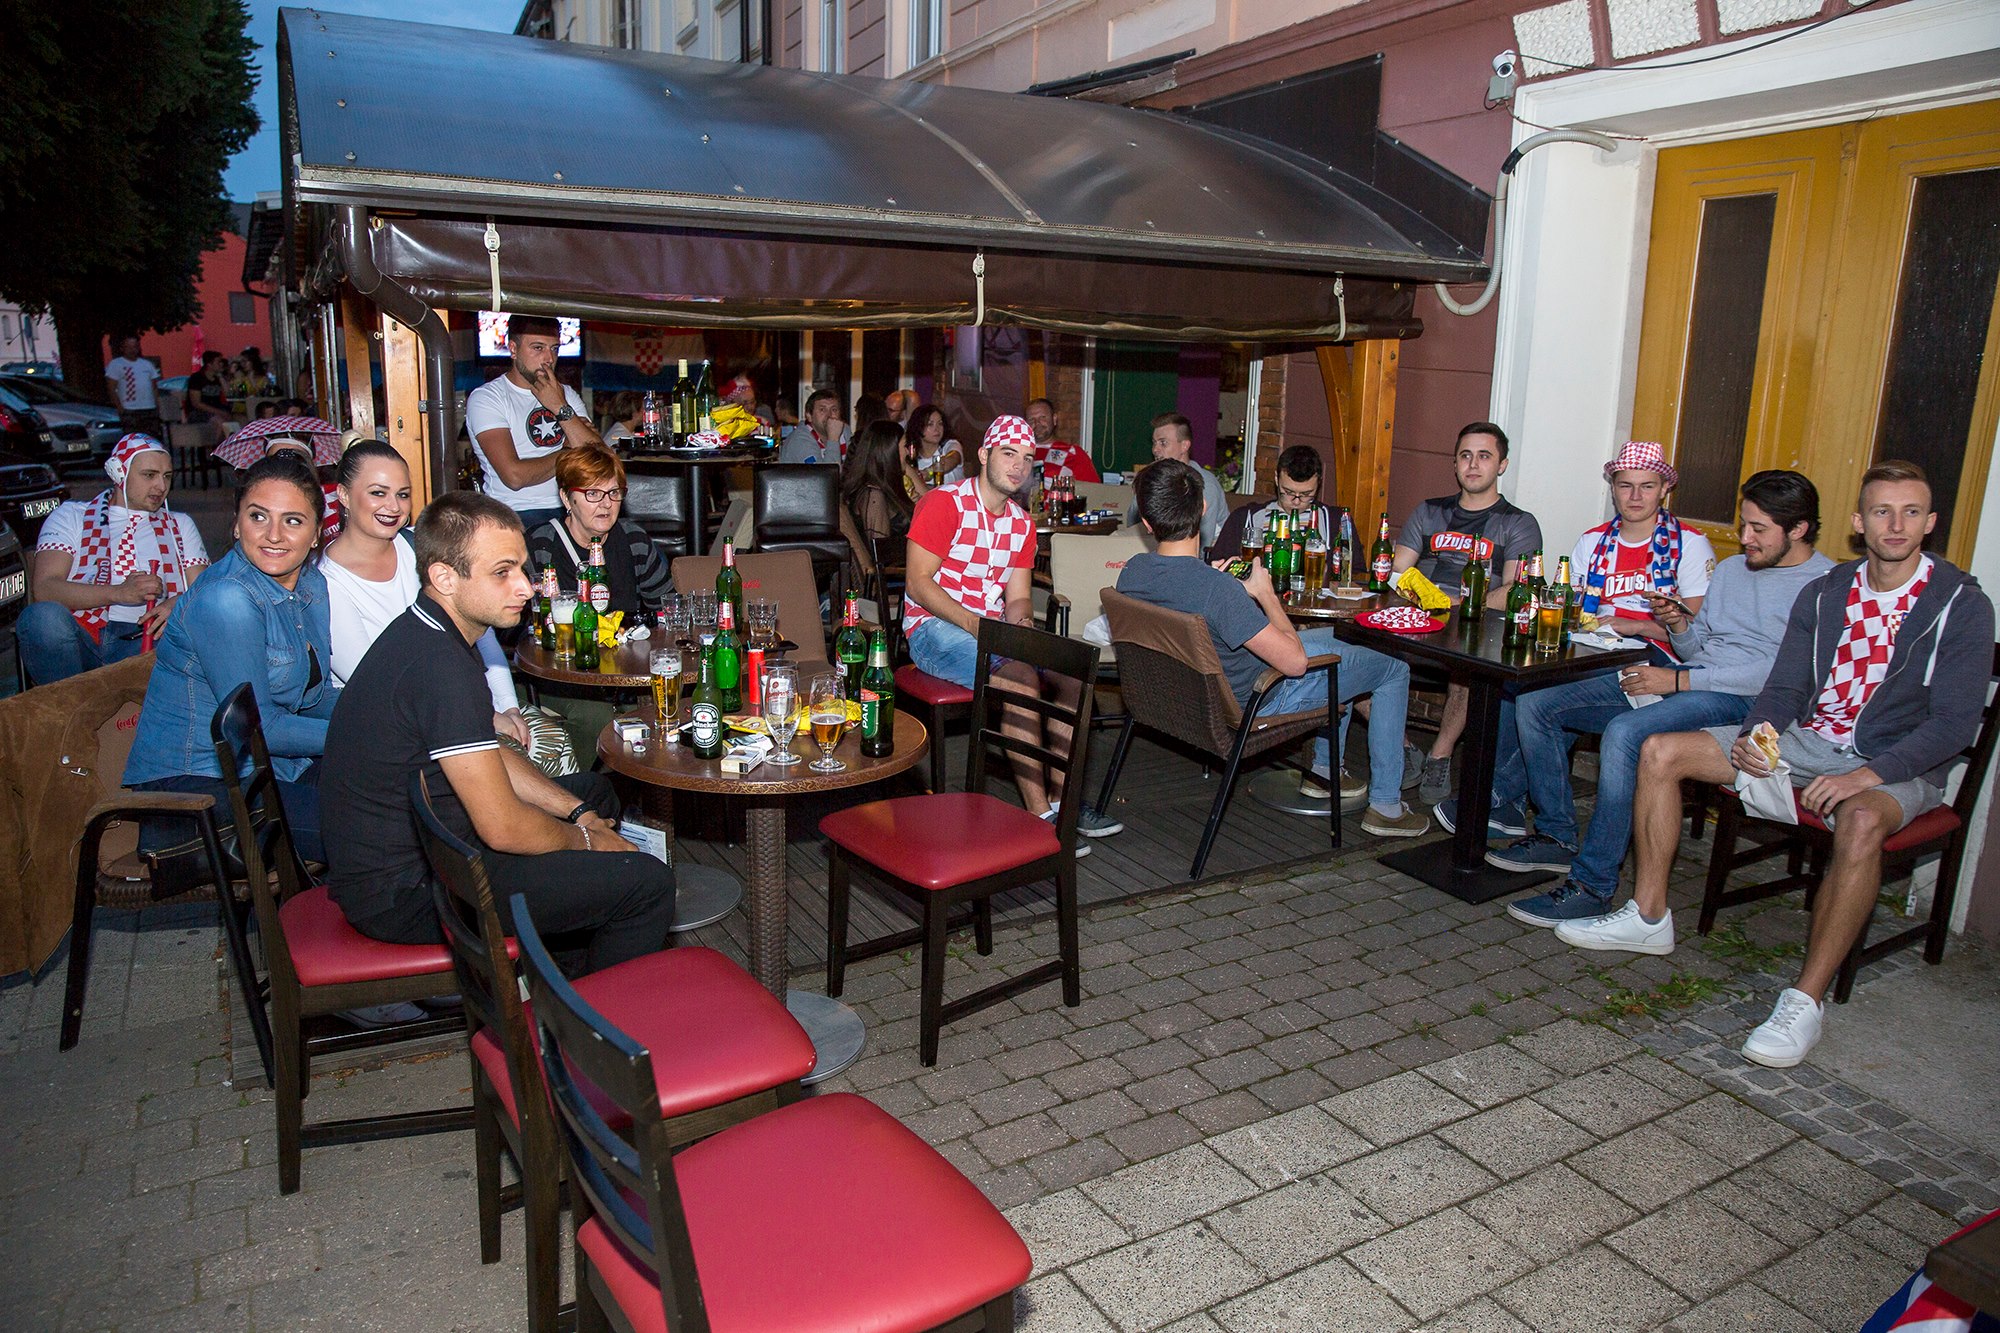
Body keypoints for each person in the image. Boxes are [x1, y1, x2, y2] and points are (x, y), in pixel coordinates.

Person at [1553, 461, 1992, 1069]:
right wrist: (1757, 733)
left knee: (1862, 820)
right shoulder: (1828, 591)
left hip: (1893, 760)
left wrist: (1863, 777)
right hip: (1808, 740)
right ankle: (1649, 916)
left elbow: (1953, 723)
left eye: (1910, 512)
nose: (1896, 525)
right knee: (1659, 749)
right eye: (1882, 512)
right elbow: (1786, 684)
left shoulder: (1961, 604)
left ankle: (1804, 1001)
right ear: (1859, 522)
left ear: (1930, 522)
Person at [319, 492, 675, 971]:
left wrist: (578, 813)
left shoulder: (432, 632)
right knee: (648, 883)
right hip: (409, 893)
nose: (526, 587)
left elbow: (489, 752)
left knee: (594, 793)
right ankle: (585, 1014)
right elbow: (502, 827)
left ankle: (564, 968)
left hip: (436, 853)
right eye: (502, 572)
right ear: (444, 577)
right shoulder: (440, 667)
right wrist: (589, 841)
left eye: (522, 569)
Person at [1473, 471, 1836, 921]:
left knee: (1626, 733)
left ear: (1798, 529)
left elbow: (1783, 676)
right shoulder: (1733, 570)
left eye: (1758, 529)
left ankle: (1593, 885)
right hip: (1695, 678)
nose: (1745, 538)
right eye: (1744, 525)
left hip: (1745, 700)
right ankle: (1556, 835)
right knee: (1538, 701)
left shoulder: (1825, 586)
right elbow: (1701, 649)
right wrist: (1678, 624)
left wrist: (1677, 682)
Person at [1119, 459, 1428, 837]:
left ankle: (1324, 774)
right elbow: (1295, 663)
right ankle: (1386, 807)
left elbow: (1186, 590)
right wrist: (1264, 594)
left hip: (1190, 696)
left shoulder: (1133, 572)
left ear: (1148, 523)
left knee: (1342, 641)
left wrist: (1221, 584)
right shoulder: (1217, 591)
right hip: (1259, 697)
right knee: (1393, 665)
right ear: (1203, 509)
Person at [903, 416, 1120, 847]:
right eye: (1008, 454)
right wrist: (975, 624)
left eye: (1026, 458)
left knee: (1073, 676)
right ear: (984, 455)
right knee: (1021, 679)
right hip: (934, 628)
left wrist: (1022, 627)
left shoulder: (1022, 523)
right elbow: (917, 584)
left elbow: (1018, 597)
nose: (1019, 466)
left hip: (994, 631)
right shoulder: (944, 503)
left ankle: (1063, 805)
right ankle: (1040, 816)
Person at [123, 453, 338, 862]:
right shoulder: (226, 599)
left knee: (409, 788)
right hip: (196, 789)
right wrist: (366, 734)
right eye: (258, 517)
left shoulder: (311, 585)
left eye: (293, 521)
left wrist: (390, 716)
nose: (274, 535)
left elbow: (315, 697)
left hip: (272, 769)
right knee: (373, 831)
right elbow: (261, 728)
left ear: (316, 534)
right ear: (237, 524)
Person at [319, 440, 528, 750]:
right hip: (400, 730)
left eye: (402, 495)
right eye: (378, 493)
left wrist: (509, 706)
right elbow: (382, 683)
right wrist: (489, 716)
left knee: (553, 745)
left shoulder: (419, 544)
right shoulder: (326, 584)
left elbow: (480, 626)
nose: (394, 507)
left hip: (465, 701)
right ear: (344, 495)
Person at [1393, 423, 1545, 802]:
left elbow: (1515, 590)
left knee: (1468, 660)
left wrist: (1458, 606)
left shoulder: (1517, 523)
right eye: (1465, 456)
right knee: (1353, 650)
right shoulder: (1430, 511)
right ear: (1455, 464)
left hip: (1473, 627)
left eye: (1484, 456)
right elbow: (1397, 573)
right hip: (1419, 620)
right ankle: (1403, 747)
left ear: (1502, 465)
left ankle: (1440, 754)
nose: (1473, 465)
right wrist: (1422, 602)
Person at [20, 434, 208, 685]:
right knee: (43, 618)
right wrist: (119, 593)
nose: (161, 486)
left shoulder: (180, 525)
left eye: (167, 476)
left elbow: (203, 590)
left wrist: (180, 602)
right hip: (81, 637)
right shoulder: (72, 515)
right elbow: (45, 588)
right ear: (119, 473)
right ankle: (72, 705)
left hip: (148, 641)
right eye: (149, 475)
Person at [465, 313, 602, 531]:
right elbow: (514, 476)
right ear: (513, 349)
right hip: (515, 513)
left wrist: (559, 406)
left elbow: (599, 458)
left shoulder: (565, 394)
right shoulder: (487, 397)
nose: (549, 358)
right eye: (538, 348)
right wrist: (569, 451)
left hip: (571, 507)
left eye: (554, 349)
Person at [1570, 440, 1716, 641]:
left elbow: (1698, 633)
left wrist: (1637, 626)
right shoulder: (1591, 540)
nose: (1635, 496)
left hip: (1660, 649)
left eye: (1647, 486)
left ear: (1664, 489)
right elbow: (1571, 610)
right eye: (1625, 486)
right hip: (1596, 642)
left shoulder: (1690, 544)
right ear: (1613, 488)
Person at [524, 446, 674, 619]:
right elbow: (518, 623)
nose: (607, 503)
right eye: (593, 493)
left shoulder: (634, 541)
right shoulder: (540, 545)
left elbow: (668, 611)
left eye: (614, 492)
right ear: (566, 498)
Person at [1126, 413, 1228, 551]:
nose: (1155, 449)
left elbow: (1203, 545)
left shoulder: (1204, 485)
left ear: (1184, 446)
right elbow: (1133, 524)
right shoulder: (1152, 480)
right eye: (1154, 443)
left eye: (1163, 443)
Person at [1238, 444, 1334, 552]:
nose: (1296, 502)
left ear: (1319, 483)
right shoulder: (1243, 518)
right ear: (1276, 478)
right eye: (1289, 492)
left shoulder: (1334, 522)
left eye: (1306, 494)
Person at [842, 420, 920, 545]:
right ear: (889, 452)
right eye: (904, 446)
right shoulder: (874, 496)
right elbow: (881, 550)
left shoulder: (881, 487)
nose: (907, 452)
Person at [1025, 397, 1101, 486]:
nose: (1037, 423)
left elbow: (1093, 489)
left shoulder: (1073, 453)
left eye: (1043, 417)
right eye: (1031, 419)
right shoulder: (1019, 452)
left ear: (1054, 419)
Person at [105, 336, 164, 438]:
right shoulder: (116, 364)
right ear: (122, 348)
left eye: (135, 347)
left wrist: (157, 406)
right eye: (129, 347)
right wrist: (120, 407)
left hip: (149, 408)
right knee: (132, 439)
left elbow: (154, 387)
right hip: (129, 409)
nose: (132, 350)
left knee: (151, 438)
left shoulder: (147, 365)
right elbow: (111, 388)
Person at [780, 388, 847, 465]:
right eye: (822, 410)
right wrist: (833, 439)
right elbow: (826, 472)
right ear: (809, 416)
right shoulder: (799, 441)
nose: (829, 415)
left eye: (834, 410)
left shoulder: (845, 431)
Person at [907, 404, 965, 487]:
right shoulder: (912, 457)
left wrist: (929, 472)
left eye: (940, 423)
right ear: (918, 427)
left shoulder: (950, 444)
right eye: (930, 424)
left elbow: (953, 459)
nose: (937, 429)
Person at [183, 351, 233, 426]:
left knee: (240, 419)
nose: (221, 364)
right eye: (218, 362)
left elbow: (228, 394)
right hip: (199, 412)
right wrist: (218, 412)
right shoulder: (197, 378)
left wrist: (220, 376)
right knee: (220, 422)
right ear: (209, 364)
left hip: (217, 409)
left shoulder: (218, 378)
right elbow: (196, 403)